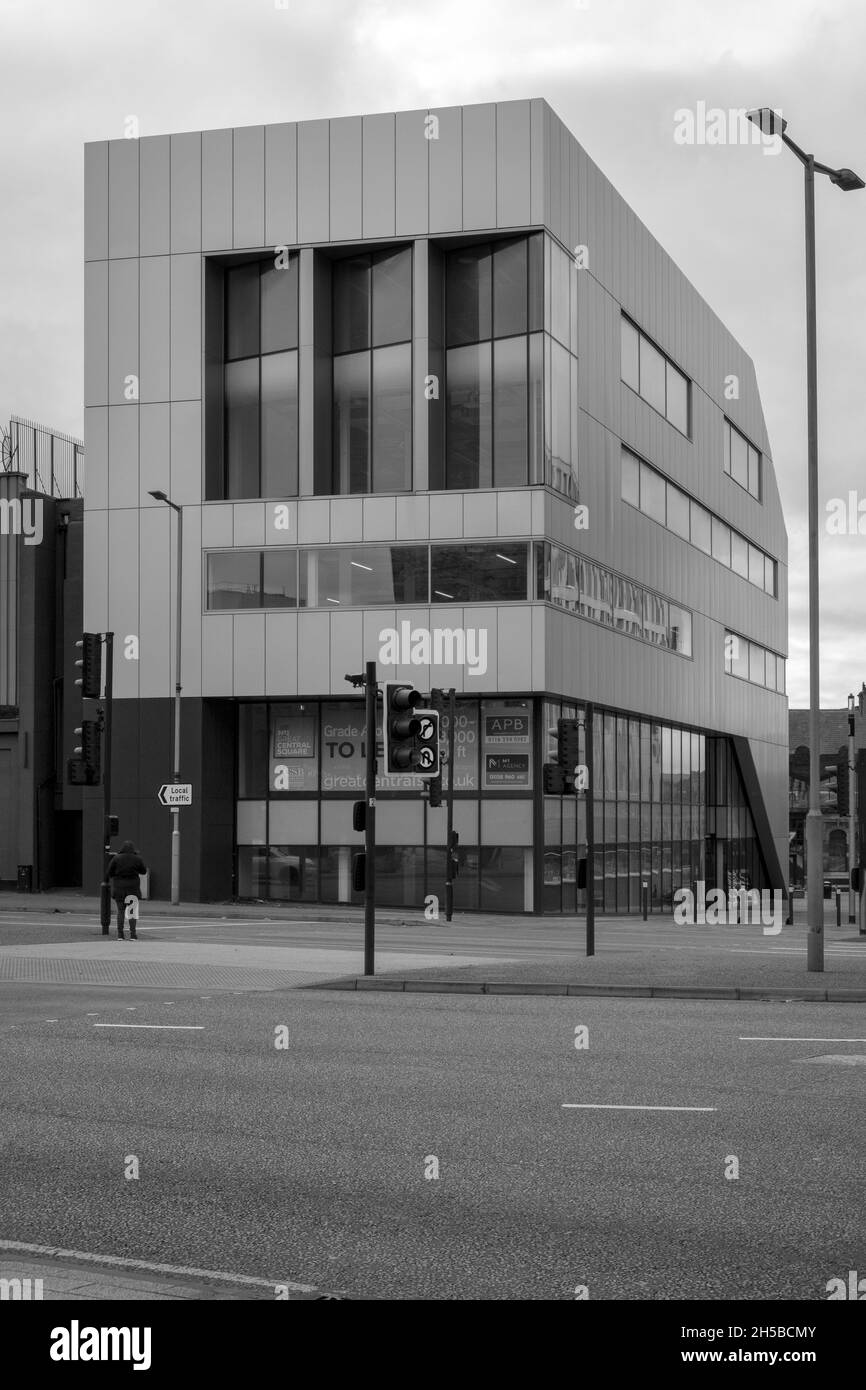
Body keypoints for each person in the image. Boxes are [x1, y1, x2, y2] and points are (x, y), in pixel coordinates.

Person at [107, 840, 147, 940]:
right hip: (132, 888)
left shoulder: (116, 858)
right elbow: (143, 871)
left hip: (119, 888)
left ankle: (120, 935)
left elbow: (109, 872)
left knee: (120, 911)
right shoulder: (137, 858)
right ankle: (133, 934)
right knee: (132, 912)